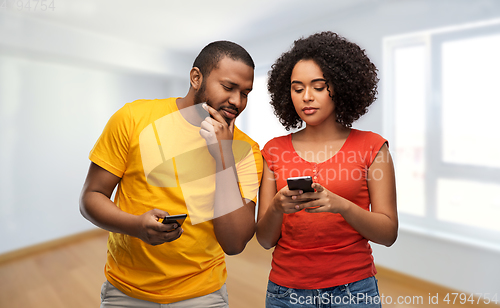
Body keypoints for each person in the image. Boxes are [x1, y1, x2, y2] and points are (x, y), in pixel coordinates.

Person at [80, 41, 263, 307]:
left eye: (245, 93)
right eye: (228, 87)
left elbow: (234, 243)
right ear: (196, 77)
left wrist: (224, 156)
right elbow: (91, 197)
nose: (237, 101)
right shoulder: (132, 118)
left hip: (204, 295)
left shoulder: (247, 151)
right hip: (126, 292)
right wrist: (136, 227)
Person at [256, 31, 398, 307]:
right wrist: (276, 206)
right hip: (287, 293)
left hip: (354, 290)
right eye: (297, 89)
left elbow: (388, 233)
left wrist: (340, 205)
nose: (306, 97)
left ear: (342, 86)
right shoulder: (273, 150)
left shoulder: (372, 147)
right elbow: (263, 239)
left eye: (318, 87)